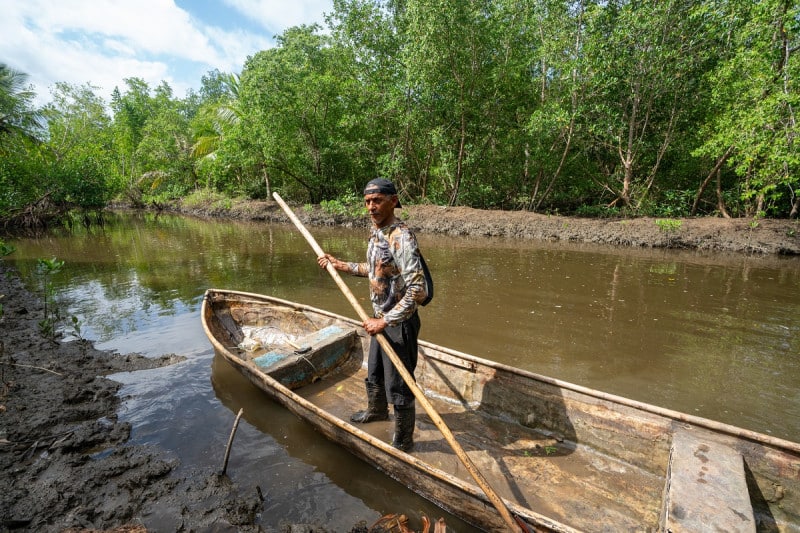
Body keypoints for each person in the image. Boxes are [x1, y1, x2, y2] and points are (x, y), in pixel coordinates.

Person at [317, 178, 427, 452]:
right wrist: (339, 265)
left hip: (398, 323)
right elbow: (375, 270)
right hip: (380, 320)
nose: (371, 207)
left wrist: (385, 321)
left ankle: (403, 439)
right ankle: (377, 411)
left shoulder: (401, 237)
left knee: (400, 385)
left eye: (377, 200)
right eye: (367, 202)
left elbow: (418, 288)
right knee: (374, 372)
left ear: (393, 200)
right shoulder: (378, 232)